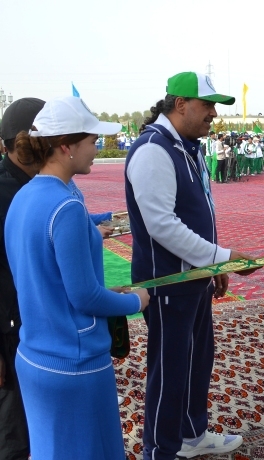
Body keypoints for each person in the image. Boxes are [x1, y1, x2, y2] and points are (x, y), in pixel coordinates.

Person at [5, 96, 150, 459]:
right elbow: (85, 297)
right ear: (66, 146)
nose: (97, 149)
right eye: (92, 141)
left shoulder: (25, 195)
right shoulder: (66, 206)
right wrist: (137, 299)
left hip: (34, 355)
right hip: (74, 363)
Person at [126, 72, 261, 459]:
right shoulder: (154, 149)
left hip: (194, 277)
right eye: (207, 106)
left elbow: (196, 212)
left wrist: (210, 267)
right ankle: (159, 450)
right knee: (169, 371)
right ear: (180, 104)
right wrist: (221, 258)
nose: (214, 115)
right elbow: (162, 225)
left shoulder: (186, 146)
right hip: (167, 282)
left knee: (197, 360)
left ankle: (191, 434)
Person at [0, 97, 45, 460]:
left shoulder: (32, 185)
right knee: (14, 427)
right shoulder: (4, 192)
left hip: (27, 321)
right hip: (6, 328)